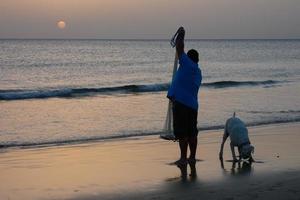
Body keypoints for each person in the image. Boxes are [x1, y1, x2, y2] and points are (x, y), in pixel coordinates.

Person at [167, 27, 202, 166]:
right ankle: (192, 157)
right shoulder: (198, 72)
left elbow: (180, 47)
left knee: (182, 133)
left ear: (189, 58)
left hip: (181, 104)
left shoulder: (187, 64)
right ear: (198, 60)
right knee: (192, 132)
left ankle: (183, 158)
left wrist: (182, 34)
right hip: (193, 105)